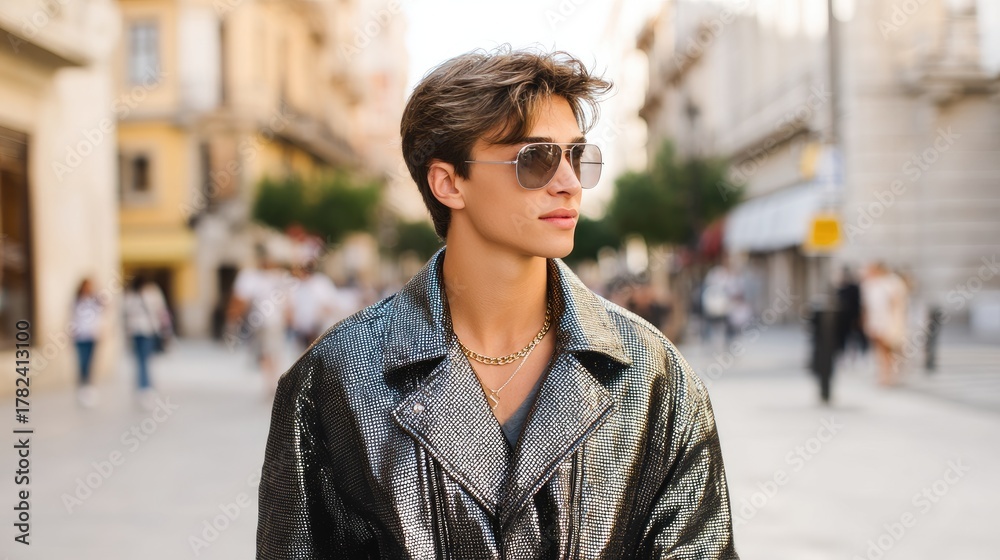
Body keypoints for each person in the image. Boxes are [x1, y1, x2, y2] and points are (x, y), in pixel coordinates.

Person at [257, 47, 738, 558]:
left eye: (577, 156)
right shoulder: (333, 382)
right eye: (536, 159)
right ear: (448, 182)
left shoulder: (652, 375)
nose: (569, 184)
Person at [123, 275, 170, 408]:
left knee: (141, 359)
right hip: (146, 330)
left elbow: (126, 312)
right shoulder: (152, 293)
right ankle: (145, 387)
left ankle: (143, 386)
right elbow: (161, 310)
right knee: (144, 359)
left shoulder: (131, 294)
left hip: (138, 330)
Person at [861, 262, 909, 386]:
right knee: (881, 349)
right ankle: (885, 375)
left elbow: (896, 304)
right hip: (878, 321)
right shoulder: (872, 285)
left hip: (889, 321)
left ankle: (891, 375)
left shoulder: (891, 283)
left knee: (892, 349)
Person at [71, 278, 105, 407]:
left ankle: (89, 387)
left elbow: (103, 312)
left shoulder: (94, 301)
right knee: (82, 362)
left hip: (92, 336)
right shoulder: (76, 301)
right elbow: (73, 318)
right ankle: (82, 387)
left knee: (90, 361)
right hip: (80, 337)